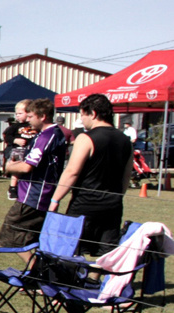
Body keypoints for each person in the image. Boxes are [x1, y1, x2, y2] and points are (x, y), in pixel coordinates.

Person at [49, 93, 134, 256]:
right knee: (107, 251)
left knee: (72, 248)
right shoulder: (126, 140)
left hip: (85, 203)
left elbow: (72, 172)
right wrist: (117, 197)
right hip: (112, 205)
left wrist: (55, 199)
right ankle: (95, 280)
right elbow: (126, 176)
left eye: (82, 115)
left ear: (93, 113)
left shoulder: (85, 138)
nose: (82, 120)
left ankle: (74, 280)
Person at [0, 99, 67, 262]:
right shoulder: (48, 134)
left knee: (12, 239)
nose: (27, 119)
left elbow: (28, 167)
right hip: (35, 194)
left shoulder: (48, 136)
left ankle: (38, 276)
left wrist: (8, 167)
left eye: (31, 116)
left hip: (33, 196)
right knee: (30, 241)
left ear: (42, 116)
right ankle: (41, 277)